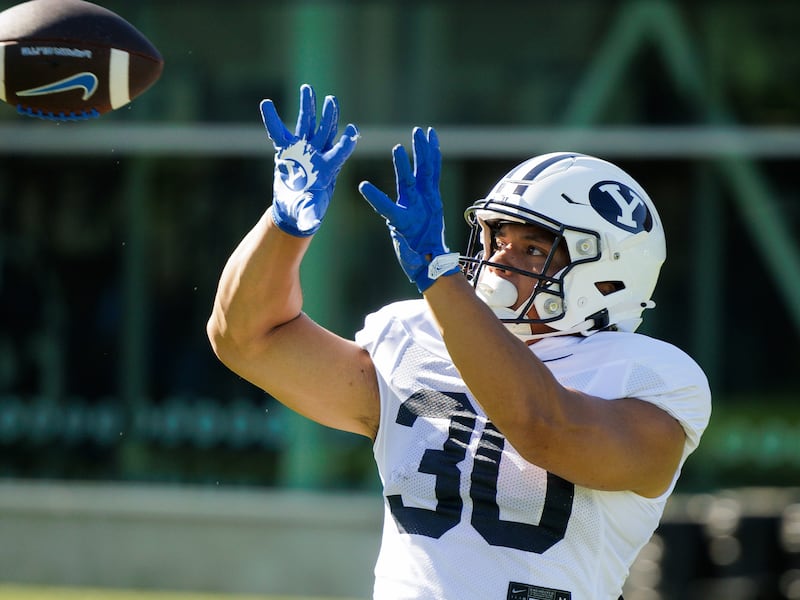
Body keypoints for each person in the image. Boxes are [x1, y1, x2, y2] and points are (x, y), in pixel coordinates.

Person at [207, 84, 711, 600]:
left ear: (609, 276)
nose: (497, 261)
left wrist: (439, 282)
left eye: (534, 248)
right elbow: (246, 338)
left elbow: (543, 427)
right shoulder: (417, 337)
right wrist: (285, 226)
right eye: (495, 238)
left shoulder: (650, 378)